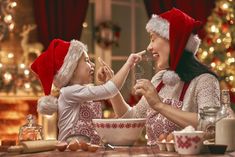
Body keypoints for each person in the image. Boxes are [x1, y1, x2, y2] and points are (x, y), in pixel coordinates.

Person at [100, 8, 220, 145]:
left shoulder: (205, 81)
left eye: (153, 39)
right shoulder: (160, 79)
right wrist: (111, 87)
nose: (149, 47)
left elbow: (211, 125)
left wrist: (159, 105)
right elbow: (131, 118)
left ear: (174, 41)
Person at [31, 39, 143, 144]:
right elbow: (110, 90)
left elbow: (107, 90)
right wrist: (128, 64)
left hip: (87, 151)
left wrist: (107, 81)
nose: (93, 64)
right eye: (87, 60)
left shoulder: (79, 92)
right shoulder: (69, 92)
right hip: (70, 153)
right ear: (72, 68)